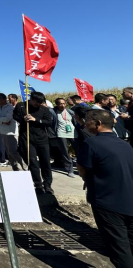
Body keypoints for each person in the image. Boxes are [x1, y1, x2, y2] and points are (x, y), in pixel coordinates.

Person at [77, 109, 133, 268]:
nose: (85, 124)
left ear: (98, 123)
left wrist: (87, 179)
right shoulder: (125, 145)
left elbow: (82, 168)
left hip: (107, 202)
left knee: (119, 248)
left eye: (87, 120)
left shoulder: (91, 143)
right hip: (129, 201)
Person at [13, 91, 54, 194]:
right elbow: (15, 116)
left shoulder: (44, 109)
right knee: (32, 162)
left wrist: (36, 119)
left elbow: (49, 122)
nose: (38, 104)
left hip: (41, 139)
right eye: (36, 102)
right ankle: (37, 184)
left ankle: (47, 184)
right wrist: (23, 119)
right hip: (27, 138)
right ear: (31, 99)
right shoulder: (21, 106)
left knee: (45, 162)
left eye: (40, 102)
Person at [0, 93, 26, 171]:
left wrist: (0, 119)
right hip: (2, 131)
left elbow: (7, 118)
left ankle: (25, 166)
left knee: (13, 151)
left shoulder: (10, 107)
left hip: (11, 132)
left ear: (4, 99)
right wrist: (2, 122)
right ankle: (15, 168)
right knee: (8, 152)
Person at [53, 98, 76, 177]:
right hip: (61, 133)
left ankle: (81, 167)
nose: (62, 105)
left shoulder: (70, 111)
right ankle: (70, 169)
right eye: (60, 104)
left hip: (72, 132)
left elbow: (75, 121)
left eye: (64, 103)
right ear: (57, 104)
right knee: (65, 152)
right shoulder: (54, 112)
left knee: (78, 149)